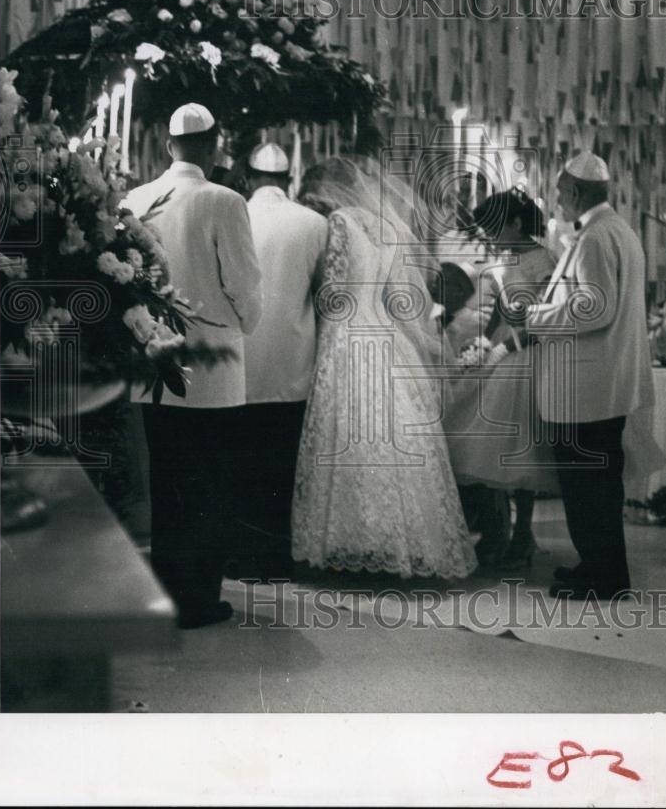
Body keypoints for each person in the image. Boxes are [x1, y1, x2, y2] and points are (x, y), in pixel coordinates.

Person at [291, 156, 476, 579]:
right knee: (388, 433)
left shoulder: (339, 222)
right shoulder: (387, 228)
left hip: (346, 331)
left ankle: (352, 539)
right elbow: (400, 296)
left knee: (345, 433)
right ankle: (400, 541)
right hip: (385, 334)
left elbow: (334, 289)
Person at [124, 103, 262, 628]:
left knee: (168, 481)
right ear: (214, 143)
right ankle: (199, 600)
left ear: (167, 145)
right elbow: (244, 282)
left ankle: (166, 595)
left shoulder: (135, 199)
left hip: (154, 361)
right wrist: (246, 324)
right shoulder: (224, 200)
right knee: (210, 484)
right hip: (216, 364)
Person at [509, 152, 654, 600]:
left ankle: (603, 577)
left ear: (574, 192)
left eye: (559, 192)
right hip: (600, 385)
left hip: (585, 388)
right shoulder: (619, 231)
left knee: (587, 485)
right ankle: (600, 568)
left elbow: (595, 307)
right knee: (598, 485)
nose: (556, 200)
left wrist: (533, 317)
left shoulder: (594, 238)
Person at [443, 188, 558, 569]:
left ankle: (523, 532)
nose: (489, 234)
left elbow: (545, 318)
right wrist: (481, 342)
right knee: (478, 435)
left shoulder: (544, 260)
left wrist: (507, 347)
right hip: (500, 348)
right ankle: (499, 529)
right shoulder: (502, 259)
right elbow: (498, 309)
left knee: (523, 447)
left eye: (495, 227)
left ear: (516, 223)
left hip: (530, 355)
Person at [235, 141, 328, 578]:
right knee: (282, 464)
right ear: (288, 180)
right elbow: (324, 292)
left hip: (240, 358)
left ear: (249, 179)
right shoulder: (314, 223)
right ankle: (277, 554)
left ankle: (242, 552)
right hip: (293, 358)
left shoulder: (234, 213)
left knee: (241, 460)